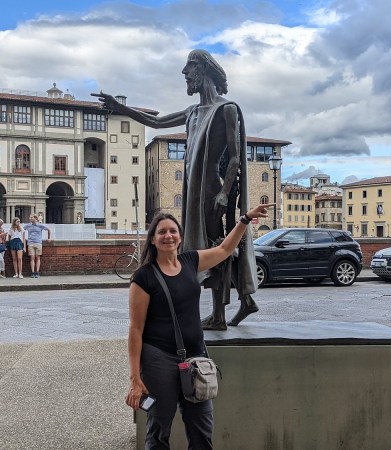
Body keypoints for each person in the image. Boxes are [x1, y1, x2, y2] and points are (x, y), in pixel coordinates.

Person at [92, 49, 259, 330]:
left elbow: (234, 157)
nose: (184, 73)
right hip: (193, 191)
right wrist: (120, 107)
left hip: (211, 190)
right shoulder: (192, 111)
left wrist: (224, 192)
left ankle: (219, 315)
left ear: (205, 69)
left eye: (190, 66)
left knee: (214, 248)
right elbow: (156, 122)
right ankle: (245, 302)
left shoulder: (226, 109)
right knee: (207, 246)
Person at [126, 202, 271, 450]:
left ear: (180, 237)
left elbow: (225, 249)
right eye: (161, 232)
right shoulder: (144, 277)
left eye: (173, 231)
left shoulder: (190, 261)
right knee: (159, 431)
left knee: (202, 430)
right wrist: (135, 378)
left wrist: (245, 219)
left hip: (196, 358)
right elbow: (135, 330)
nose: (168, 236)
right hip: (159, 360)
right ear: (152, 240)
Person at [24, 214, 51, 278]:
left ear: (35, 218)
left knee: (38, 257)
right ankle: (33, 272)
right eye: (30, 217)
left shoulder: (40, 225)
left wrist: (49, 238)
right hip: (30, 243)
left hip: (38, 242)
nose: (30, 218)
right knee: (32, 257)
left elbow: (48, 229)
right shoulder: (28, 225)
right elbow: (21, 230)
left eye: (31, 217)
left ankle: (37, 272)